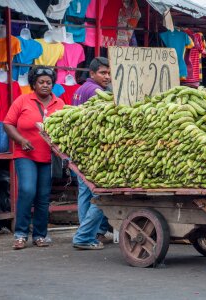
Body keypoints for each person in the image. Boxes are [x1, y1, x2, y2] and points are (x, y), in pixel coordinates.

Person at [3, 67, 65, 250]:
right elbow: (7, 124)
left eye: (48, 82)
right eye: (41, 82)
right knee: (28, 190)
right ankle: (21, 234)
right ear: (34, 84)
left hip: (48, 157)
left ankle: (40, 235)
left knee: (43, 197)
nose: (45, 85)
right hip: (25, 154)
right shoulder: (23, 100)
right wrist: (21, 140)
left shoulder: (59, 103)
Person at [72, 57, 112, 250]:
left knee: (86, 192)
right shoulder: (95, 91)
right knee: (102, 194)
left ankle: (86, 233)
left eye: (109, 73)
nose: (107, 77)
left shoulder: (80, 90)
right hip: (92, 153)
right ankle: (84, 236)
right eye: (103, 73)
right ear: (92, 74)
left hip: (80, 150)